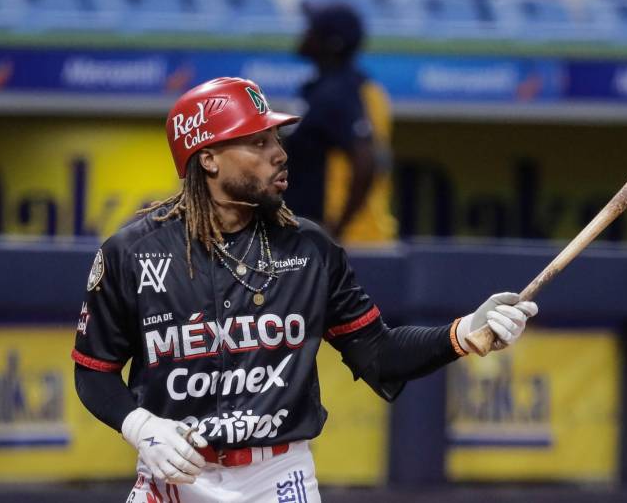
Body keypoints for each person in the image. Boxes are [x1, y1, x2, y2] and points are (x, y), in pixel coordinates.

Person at [70, 77, 537, 503]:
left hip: (276, 479)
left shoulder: (310, 248)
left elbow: (377, 352)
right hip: (171, 477)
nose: (280, 153)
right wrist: (141, 426)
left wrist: (463, 333)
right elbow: (94, 370)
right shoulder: (131, 252)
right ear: (207, 158)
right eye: (258, 142)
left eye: (276, 139)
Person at [282, 1, 397, 243]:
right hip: (336, 240)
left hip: (350, 242)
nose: (305, 33)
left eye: (313, 29)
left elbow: (365, 161)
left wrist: (335, 230)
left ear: (331, 44)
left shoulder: (339, 92)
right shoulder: (338, 87)